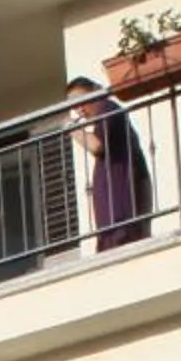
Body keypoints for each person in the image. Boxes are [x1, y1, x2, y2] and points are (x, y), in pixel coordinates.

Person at [67, 76, 154, 251]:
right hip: (117, 222)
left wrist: (70, 128)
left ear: (95, 92)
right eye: (74, 107)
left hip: (121, 219)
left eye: (81, 101)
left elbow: (96, 145)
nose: (79, 110)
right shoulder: (108, 115)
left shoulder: (108, 109)